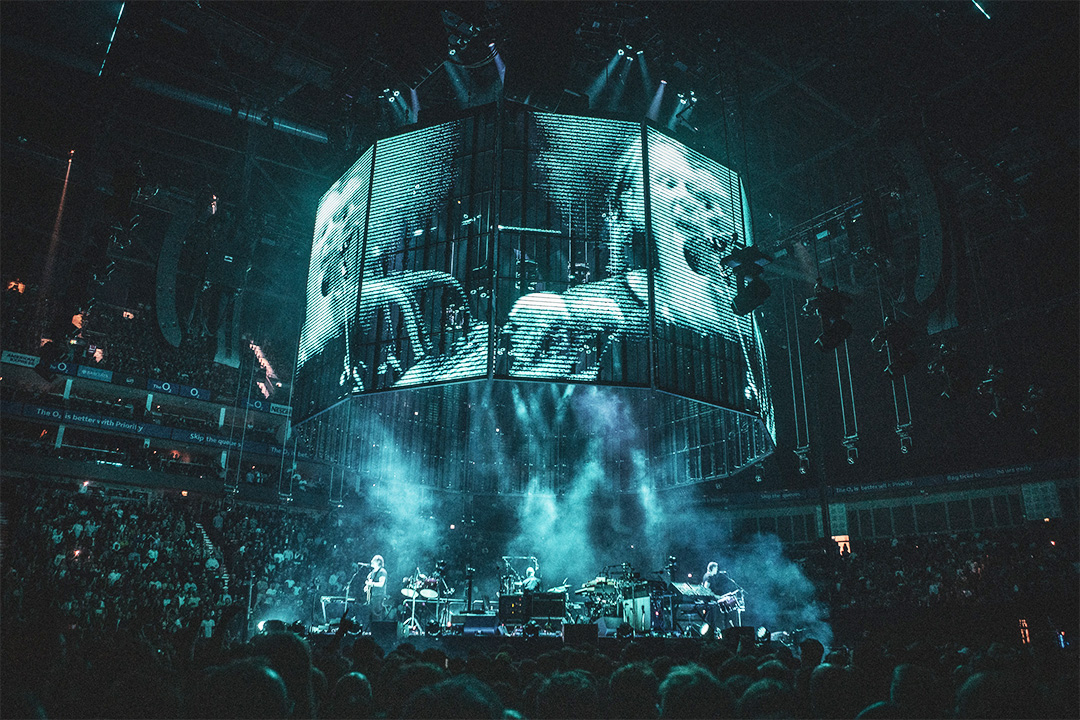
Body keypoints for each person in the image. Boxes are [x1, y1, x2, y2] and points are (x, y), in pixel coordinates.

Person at [364, 555, 387, 621]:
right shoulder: (373, 572)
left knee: (377, 617)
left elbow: (381, 584)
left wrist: (371, 584)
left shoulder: (382, 572)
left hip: (379, 597)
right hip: (372, 597)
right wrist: (367, 587)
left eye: (373, 560)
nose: (371, 561)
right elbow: (370, 581)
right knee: (371, 617)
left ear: (378, 562)